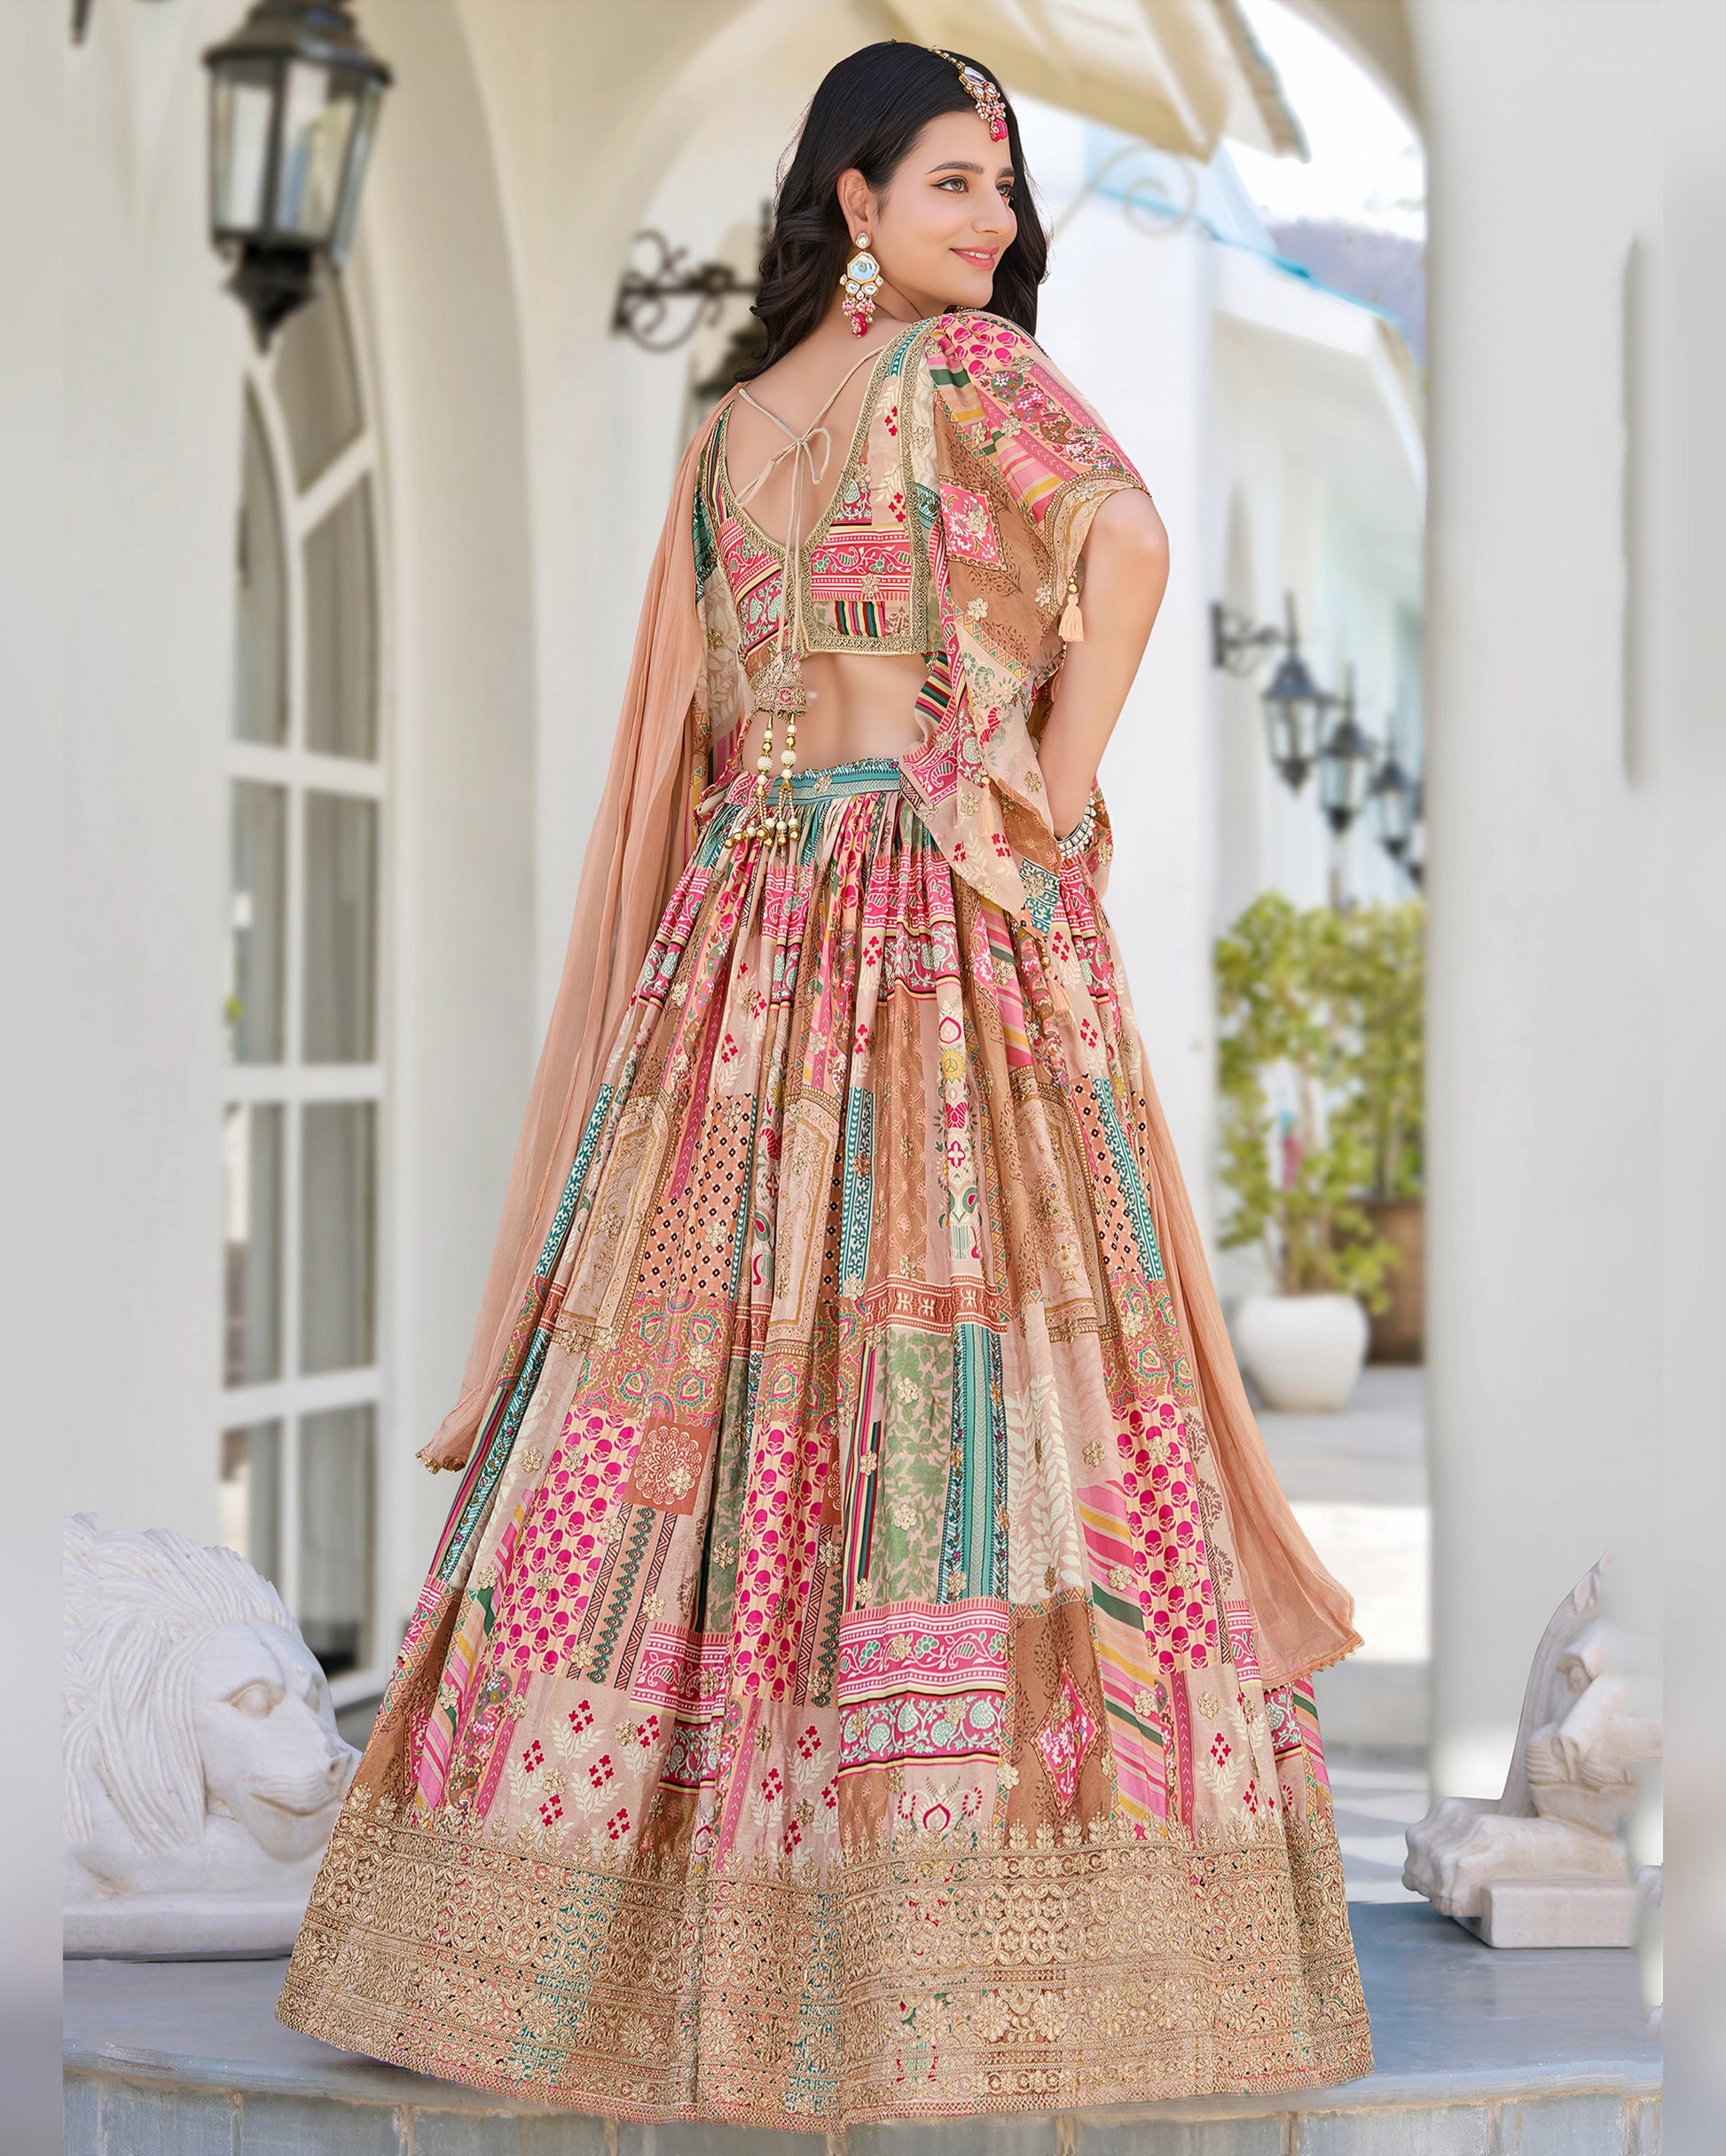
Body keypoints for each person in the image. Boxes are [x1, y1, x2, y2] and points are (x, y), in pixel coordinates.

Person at [278, 40, 1371, 2132]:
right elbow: (1127, 550)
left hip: (747, 938)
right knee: (967, 1381)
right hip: (936, 935)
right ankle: (969, 1923)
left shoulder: (727, 438)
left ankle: (611, 1922)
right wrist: (1037, 803)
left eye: (1009, 190)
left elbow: (694, 747)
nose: (997, 226)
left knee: (719, 1401)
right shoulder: (968, 378)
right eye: (958, 183)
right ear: (851, 203)